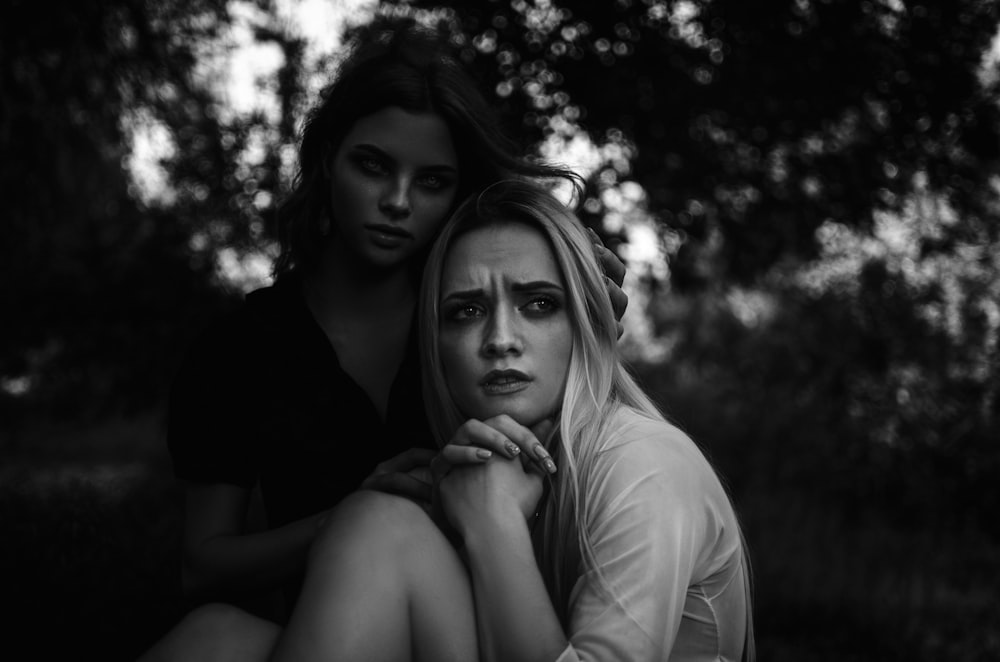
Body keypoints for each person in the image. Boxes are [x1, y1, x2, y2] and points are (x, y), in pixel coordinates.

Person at [143, 178, 754, 662]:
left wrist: (491, 523)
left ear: (589, 323)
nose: (500, 339)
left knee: (380, 525)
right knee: (215, 640)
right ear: (435, 345)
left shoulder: (642, 464)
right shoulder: (482, 463)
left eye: (539, 304)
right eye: (465, 311)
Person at [161, 12, 628, 629]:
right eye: (374, 166)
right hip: (330, 631)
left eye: (432, 181)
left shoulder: (486, 325)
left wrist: (577, 304)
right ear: (328, 159)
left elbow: (580, 455)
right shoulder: (240, 350)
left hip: (486, 622)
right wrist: (354, 510)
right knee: (210, 636)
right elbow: (203, 567)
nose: (399, 201)